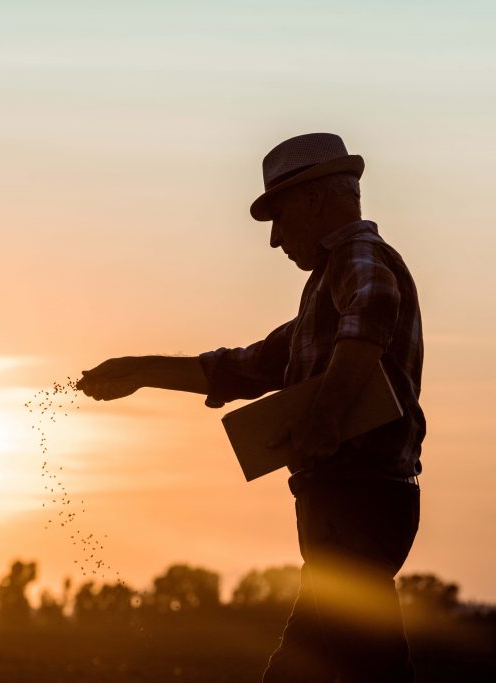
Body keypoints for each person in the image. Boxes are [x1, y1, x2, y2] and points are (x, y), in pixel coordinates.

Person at [76, 132, 425, 682]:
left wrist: (325, 417)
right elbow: (244, 368)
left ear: (315, 199)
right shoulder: (321, 298)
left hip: (359, 497)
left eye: (279, 217)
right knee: (303, 667)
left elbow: (373, 306)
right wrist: (141, 370)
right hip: (341, 499)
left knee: (367, 665)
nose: (274, 240)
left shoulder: (358, 258)